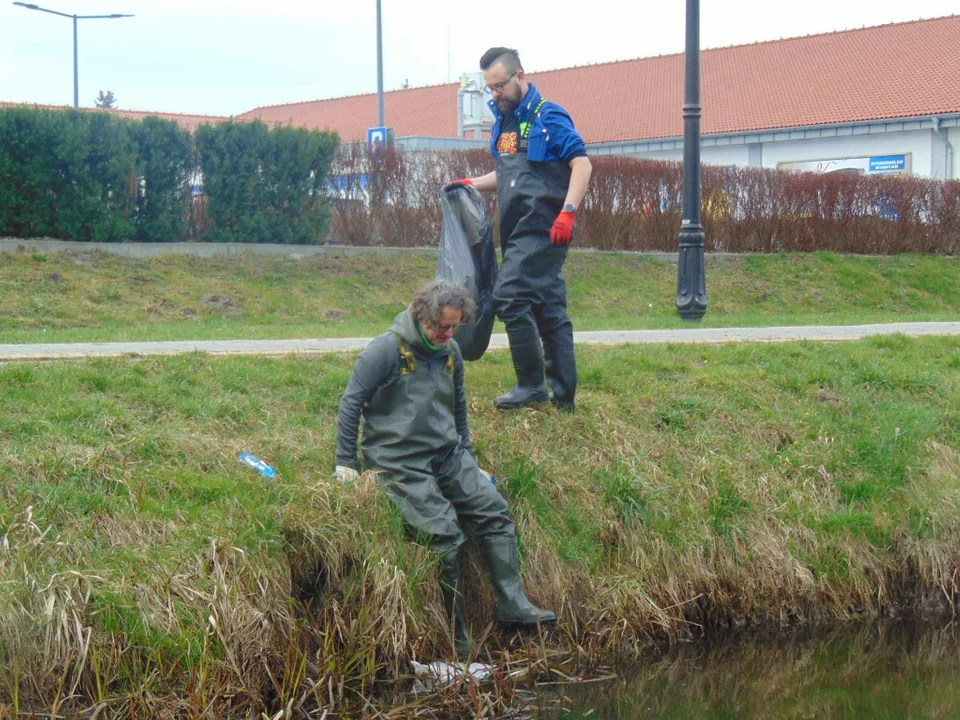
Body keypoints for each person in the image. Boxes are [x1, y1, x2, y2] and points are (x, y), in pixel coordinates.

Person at [334, 280, 556, 656]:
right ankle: (458, 633)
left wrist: (469, 458)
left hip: (447, 455)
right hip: (398, 460)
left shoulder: (450, 351)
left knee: (495, 510)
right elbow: (350, 403)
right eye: (441, 327)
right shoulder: (385, 350)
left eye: (454, 327)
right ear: (421, 315)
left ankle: (513, 603)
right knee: (446, 533)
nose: (447, 334)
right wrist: (345, 463)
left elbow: (459, 410)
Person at [446, 47, 592, 412]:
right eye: (489, 89)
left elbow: (582, 165)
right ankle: (565, 398)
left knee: (509, 296)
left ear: (520, 76)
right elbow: (509, 174)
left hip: (545, 229)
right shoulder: (503, 123)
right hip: (515, 232)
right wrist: (471, 183)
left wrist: (568, 212)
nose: (495, 94)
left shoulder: (549, 116)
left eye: (499, 86)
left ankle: (531, 386)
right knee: (548, 310)